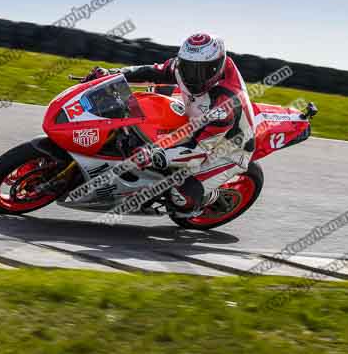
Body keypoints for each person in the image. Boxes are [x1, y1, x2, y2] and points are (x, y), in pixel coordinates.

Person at [83, 33, 255, 217]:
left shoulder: (227, 102)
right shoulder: (181, 67)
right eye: (188, 68)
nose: (192, 76)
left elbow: (199, 149)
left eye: (202, 71)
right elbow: (151, 71)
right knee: (141, 110)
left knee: (181, 198)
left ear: (218, 66)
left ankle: (212, 197)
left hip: (226, 148)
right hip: (196, 118)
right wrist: (111, 74)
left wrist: (154, 155)